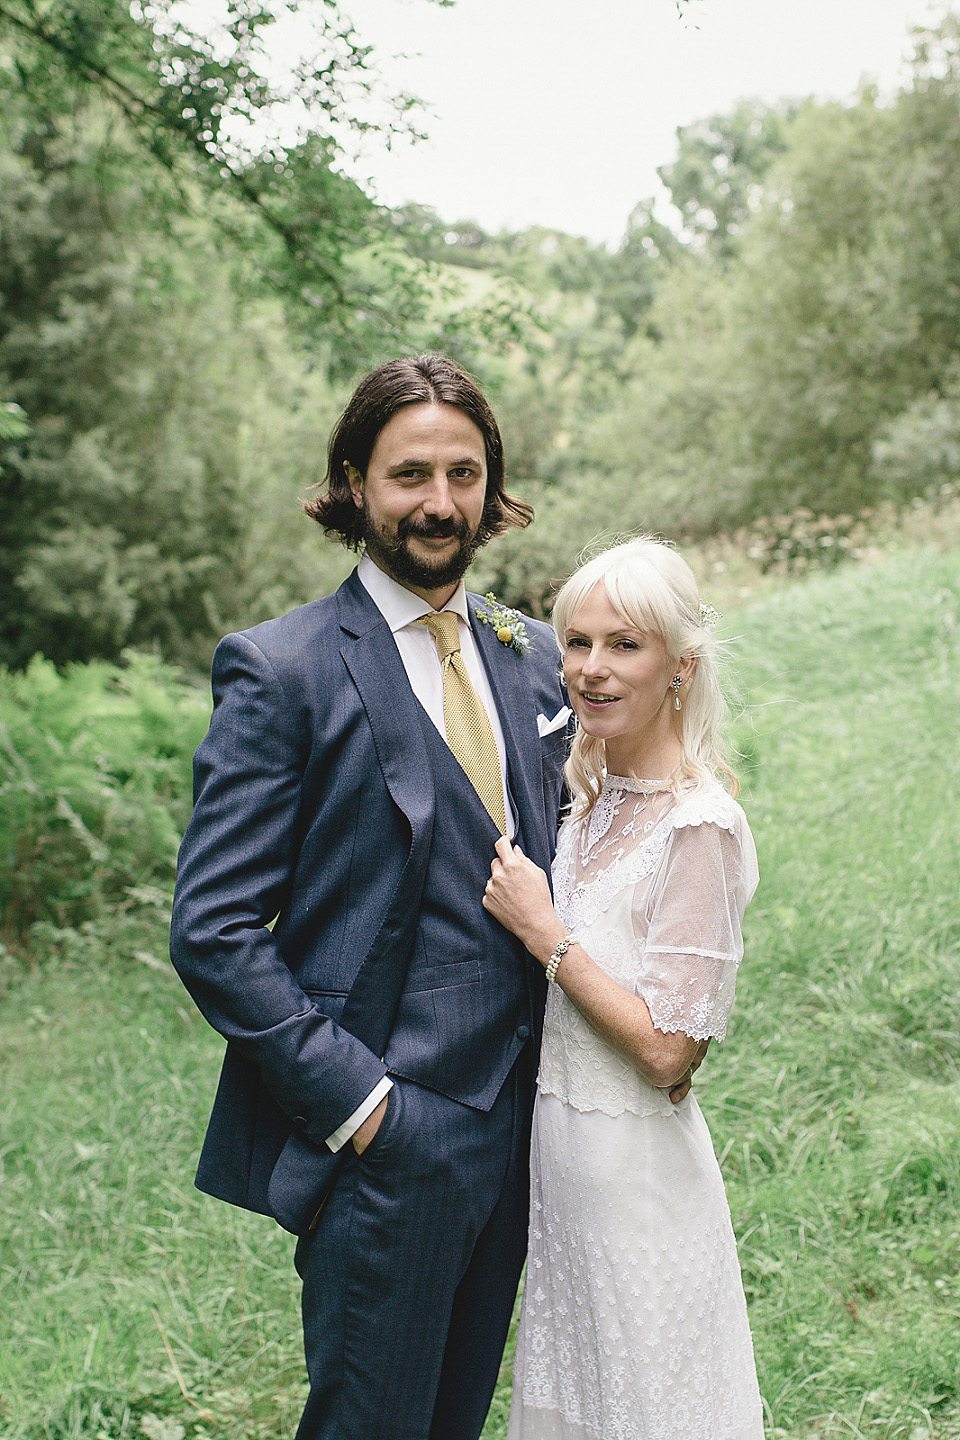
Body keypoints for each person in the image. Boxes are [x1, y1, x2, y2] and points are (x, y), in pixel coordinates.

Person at [170, 353, 633, 1440]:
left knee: (455, 1422)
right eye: (410, 473)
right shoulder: (279, 670)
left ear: (491, 484)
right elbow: (215, 930)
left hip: (524, 1127)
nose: (439, 503)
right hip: (387, 1137)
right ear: (354, 482)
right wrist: (365, 1108)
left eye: (464, 473)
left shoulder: (528, 656)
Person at [482, 536, 765, 1440]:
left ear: (679, 666)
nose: (591, 670)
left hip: (638, 1185)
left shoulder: (700, 825)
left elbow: (668, 1050)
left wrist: (544, 933)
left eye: (624, 645)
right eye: (577, 643)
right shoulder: (593, 793)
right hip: (564, 1177)